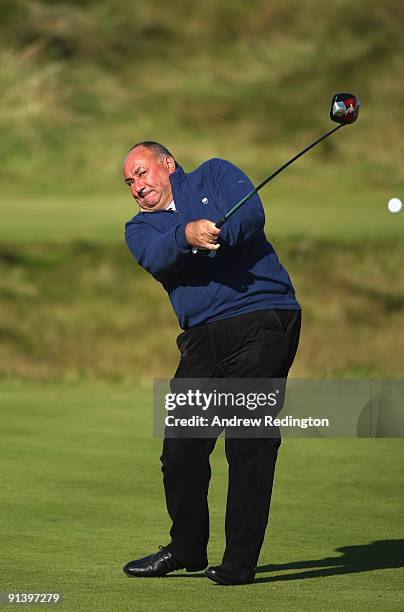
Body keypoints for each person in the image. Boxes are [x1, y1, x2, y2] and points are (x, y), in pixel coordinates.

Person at [122, 141, 301, 585]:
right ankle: (186, 549)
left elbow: (250, 216)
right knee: (180, 449)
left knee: (248, 441)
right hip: (202, 339)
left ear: (167, 164)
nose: (137, 187)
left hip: (263, 316)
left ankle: (240, 561)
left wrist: (216, 233)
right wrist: (187, 234)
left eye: (141, 173)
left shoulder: (215, 174)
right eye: (129, 182)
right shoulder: (139, 229)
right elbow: (158, 255)